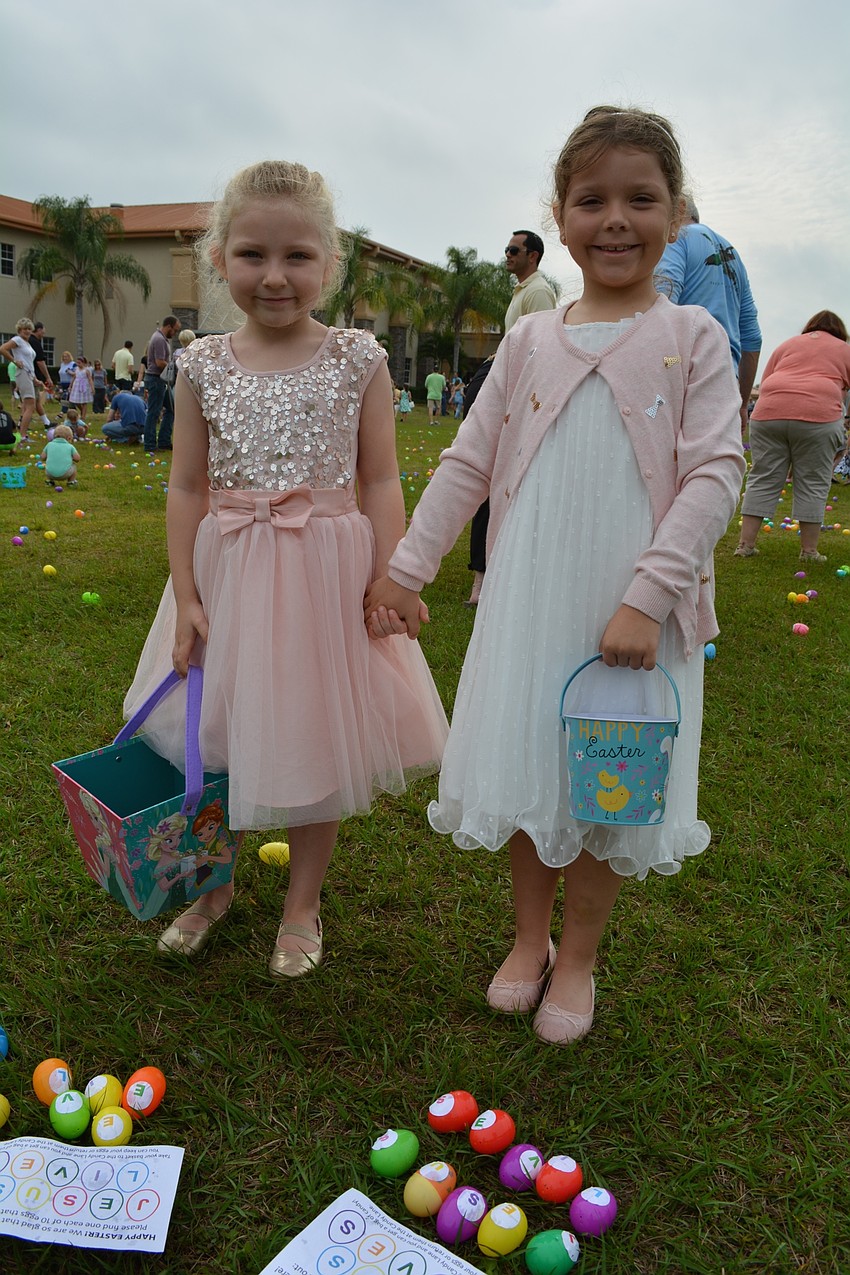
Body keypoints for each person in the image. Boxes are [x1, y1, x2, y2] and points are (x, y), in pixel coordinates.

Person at [365, 105, 745, 1046]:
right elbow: (468, 460)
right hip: (531, 593)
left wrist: (645, 599)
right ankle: (528, 941)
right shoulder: (532, 340)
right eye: (592, 199)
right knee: (538, 768)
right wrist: (409, 566)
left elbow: (714, 474)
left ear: (677, 211)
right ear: (560, 214)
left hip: (629, 605)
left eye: (641, 199)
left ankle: (578, 957)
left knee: (611, 784)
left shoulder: (694, 335)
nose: (616, 219)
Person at [123, 160, 448, 974]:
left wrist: (388, 575)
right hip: (228, 568)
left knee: (312, 733)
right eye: (252, 255)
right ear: (219, 258)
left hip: (325, 575)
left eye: (298, 256)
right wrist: (189, 595)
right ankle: (212, 884)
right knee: (216, 726)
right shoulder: (200, 363)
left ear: (330, 264)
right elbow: (186, 484)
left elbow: (379, 477)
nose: (275, 276)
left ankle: (302, 903)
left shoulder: (356, 358)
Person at [466, 228, 558, 605]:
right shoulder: (523, 290)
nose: (507, 255)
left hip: (517, 398)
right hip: (502, 388)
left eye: (513, 249)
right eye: (506, 249)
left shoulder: (538, 292)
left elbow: (540, 351)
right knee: (489, 478)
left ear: (532, 255)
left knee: (503, 480)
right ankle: (482, 576)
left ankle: (491, 575)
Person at [734, 311, 850, 562]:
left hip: (768, 414)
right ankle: (808, 552)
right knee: (813, 481)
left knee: (763, 477)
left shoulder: (788, 344)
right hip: (818, 416)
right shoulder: (844, 349)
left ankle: (745, 545)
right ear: (841, 332)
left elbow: (765, 382)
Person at [656, 198, 761, 434]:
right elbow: (752, 337)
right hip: (724, 378)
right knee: (709, 462)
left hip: (679, 365)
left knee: (659, 450)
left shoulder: (676, 240)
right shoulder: (733, 255)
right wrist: (743, 403)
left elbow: (663, 298)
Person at [143, 316, 181, 451]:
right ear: (169, 326)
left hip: (158, 380)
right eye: (174, 330)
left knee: (171, 409)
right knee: (154, 412)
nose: (174, 334)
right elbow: (159, 362)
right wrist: (174, 368)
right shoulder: (159, 340)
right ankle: (150, 444)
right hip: (156, 379)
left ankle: (164, 441)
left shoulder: (160, 338)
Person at [0, 319, 39, 441]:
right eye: (24, 329)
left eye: (29, 329)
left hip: (28, 374)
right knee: (30, 405)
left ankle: (21, 433)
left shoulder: (27, 343)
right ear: (19, 330)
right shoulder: (17, 340)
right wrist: (14, 361)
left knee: (28, 405)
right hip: (22, 374)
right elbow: (2, 348)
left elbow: (29, 363)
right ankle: (22, 435)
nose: (27, 331)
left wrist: (35, 379)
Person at [29, 321, 55, 427]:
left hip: (29, 375)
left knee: (36, 400)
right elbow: (40, 361)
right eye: (43, 332)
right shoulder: (35, 342)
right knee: (31, 401)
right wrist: (48, 377)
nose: (43, 334)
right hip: (32, 376)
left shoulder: (28, 341)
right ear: (39, 330)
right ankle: (23, 424)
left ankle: (46, 422)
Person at [69, 355, 94, 420]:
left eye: (79, 363)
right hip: (76, 386)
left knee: (84, 401)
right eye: (77, 363)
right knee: (76, 401)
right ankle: (82, 410)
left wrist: (92, 388)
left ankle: (83, 416)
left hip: (84, 386)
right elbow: (74, 377)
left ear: (83, 363)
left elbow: (90, 379)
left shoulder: (86, 370)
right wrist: (70, 386)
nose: (78, 364)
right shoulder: (76, 369)